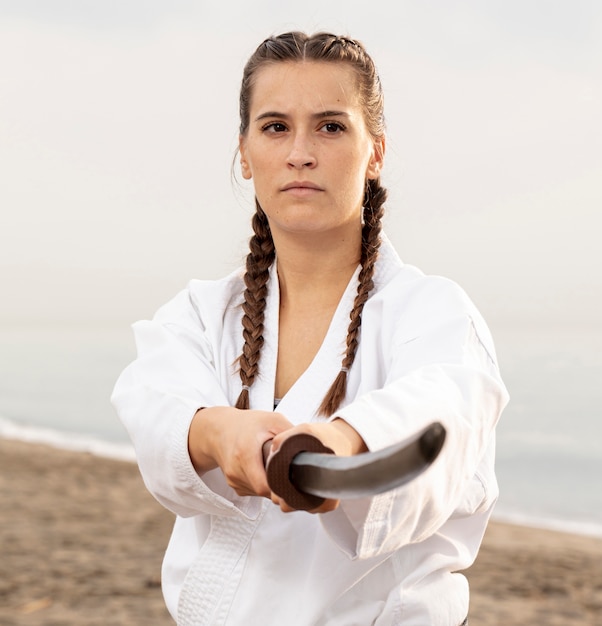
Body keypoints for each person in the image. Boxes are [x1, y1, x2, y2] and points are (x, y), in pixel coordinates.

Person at [112, 31, 509, 626]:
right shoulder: (201, 313)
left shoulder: (432, 312)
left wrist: (336, 449)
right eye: (275, 127)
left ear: (374, 151)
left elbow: (442, 406)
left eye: (329, 126)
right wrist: (222, 433)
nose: (300, 152)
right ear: (244, 152)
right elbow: (151, 405)